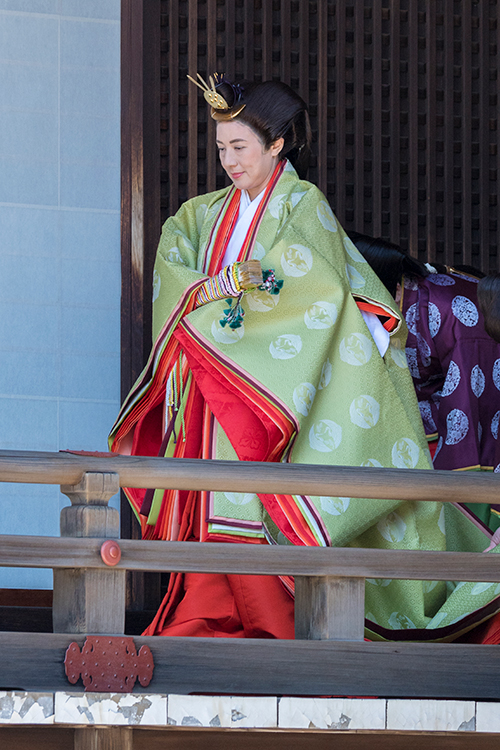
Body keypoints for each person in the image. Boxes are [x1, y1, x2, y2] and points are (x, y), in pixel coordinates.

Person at [110, 75, 500, 642]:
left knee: (261, 509)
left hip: (271, 387)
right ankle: (208, 615)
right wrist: (212, 294)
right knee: (215, 509)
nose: (228, 161)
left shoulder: (304, 205)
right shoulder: (200, 214)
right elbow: (175, 269)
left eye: (239, 147)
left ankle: (277, 628)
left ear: (277, 145)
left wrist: (236, 302)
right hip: (217, 386)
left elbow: (312, 290)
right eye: (220, 148)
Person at [350, 232, 500, 531]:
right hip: (427, 406)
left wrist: (448, 489)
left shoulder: (451, 309)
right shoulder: (391, 301)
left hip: (474, 366)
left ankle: (469, 527)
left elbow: (467, 413)